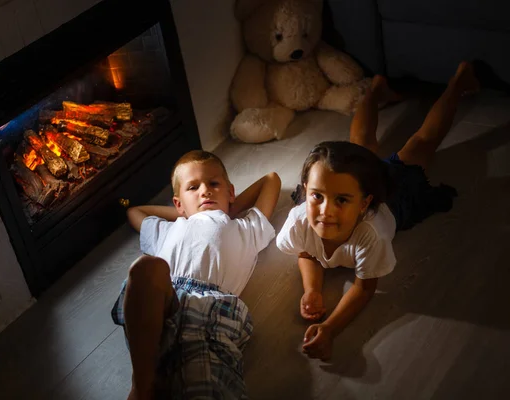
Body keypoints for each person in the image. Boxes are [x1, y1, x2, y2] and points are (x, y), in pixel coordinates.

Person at [276, 61, 480, 361]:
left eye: (342, 200)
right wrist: (312, 290)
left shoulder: (370, 233)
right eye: (317, 196)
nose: (325, 211)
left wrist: (330, 328)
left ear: (364, 202)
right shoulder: (299, 221)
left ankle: (459, 81)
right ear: (305, 189)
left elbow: (364, 288)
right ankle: (375, 89)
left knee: (421, 144)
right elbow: (306, 252)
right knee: (359, 147)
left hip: (394, 197)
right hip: (356, 183)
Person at [111, 149, 281, 399]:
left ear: (231, 191)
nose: (205, 191)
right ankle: (142, 385)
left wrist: (225, 211)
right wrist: (189, 213)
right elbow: (135, 212)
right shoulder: (168, 230)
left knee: (203, 388)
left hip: (211, 312)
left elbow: (271, 179)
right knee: (145, 269)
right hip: (161, 306)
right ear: (178, 203)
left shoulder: (246, 228)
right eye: (193, 187)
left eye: (214, 184)